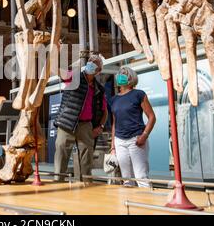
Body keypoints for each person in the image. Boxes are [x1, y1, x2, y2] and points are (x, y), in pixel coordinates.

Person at [53, 54, 108, 182]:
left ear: (99, 71)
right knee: (61, 153)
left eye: (95, 63)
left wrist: (100, 127)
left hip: (86, 126)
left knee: (86, 159)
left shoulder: (99, 89)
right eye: (90, 61)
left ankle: (86, 186)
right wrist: (57, 51)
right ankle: (58, 184)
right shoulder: (75, 76)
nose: (91, 63)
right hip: (66, 122)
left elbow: (104, 111)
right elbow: (57, 71)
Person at [110, 66, 156, 187]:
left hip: (136, 140)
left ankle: (146, 203)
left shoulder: (139, 94)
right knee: (126, 179)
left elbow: (152, 117)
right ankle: (127, 203)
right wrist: (113, 146)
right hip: (120, 141)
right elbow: (115, 123)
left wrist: (144, 136)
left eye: (124, 74)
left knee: (141, 177)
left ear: (131, 78)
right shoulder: (114, 99)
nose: (121, 75)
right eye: (120, 73)